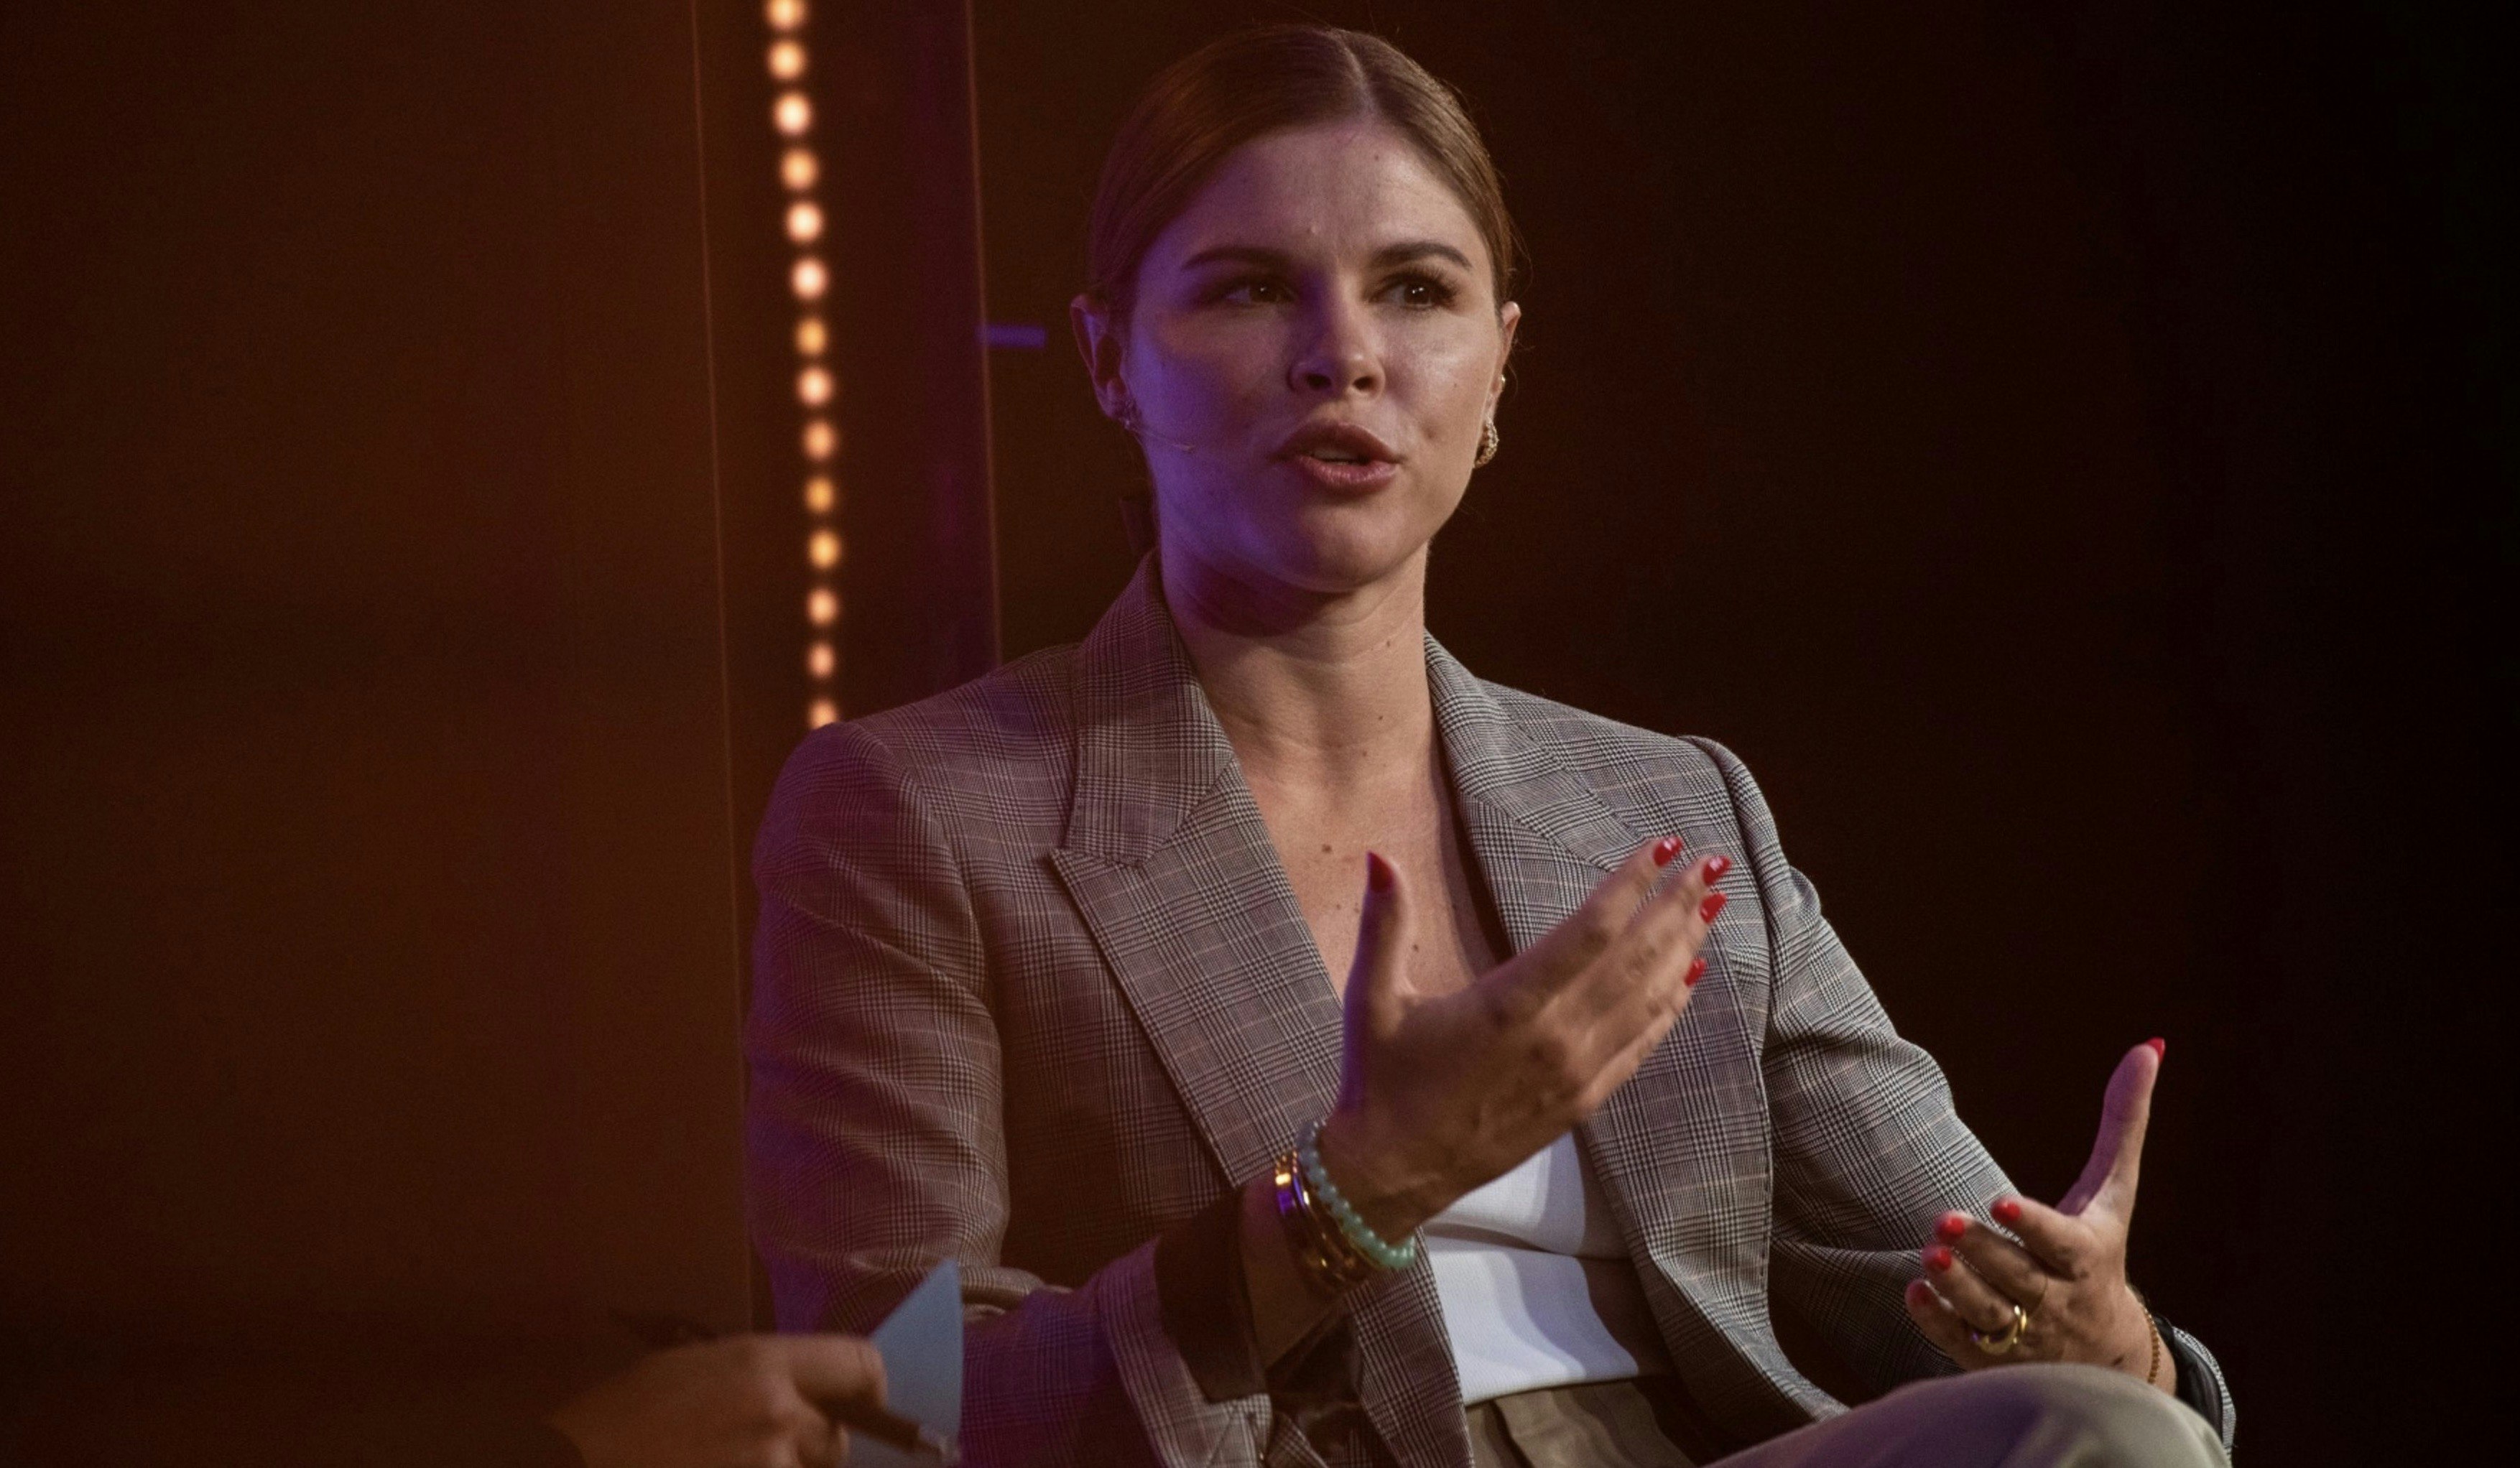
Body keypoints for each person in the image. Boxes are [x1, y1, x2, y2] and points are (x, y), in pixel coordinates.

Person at [744, 24, 2235, 1467]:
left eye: (1414, 289)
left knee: (2108, 1433)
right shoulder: (920, 812)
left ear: (1500, 362)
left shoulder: (1663, 804)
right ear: (1107, 357)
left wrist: (2110, 1341)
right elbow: (891, 1414)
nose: (1342, 354)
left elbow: (1980, 1303)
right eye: (1251, 288)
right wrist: (1353, 1188)